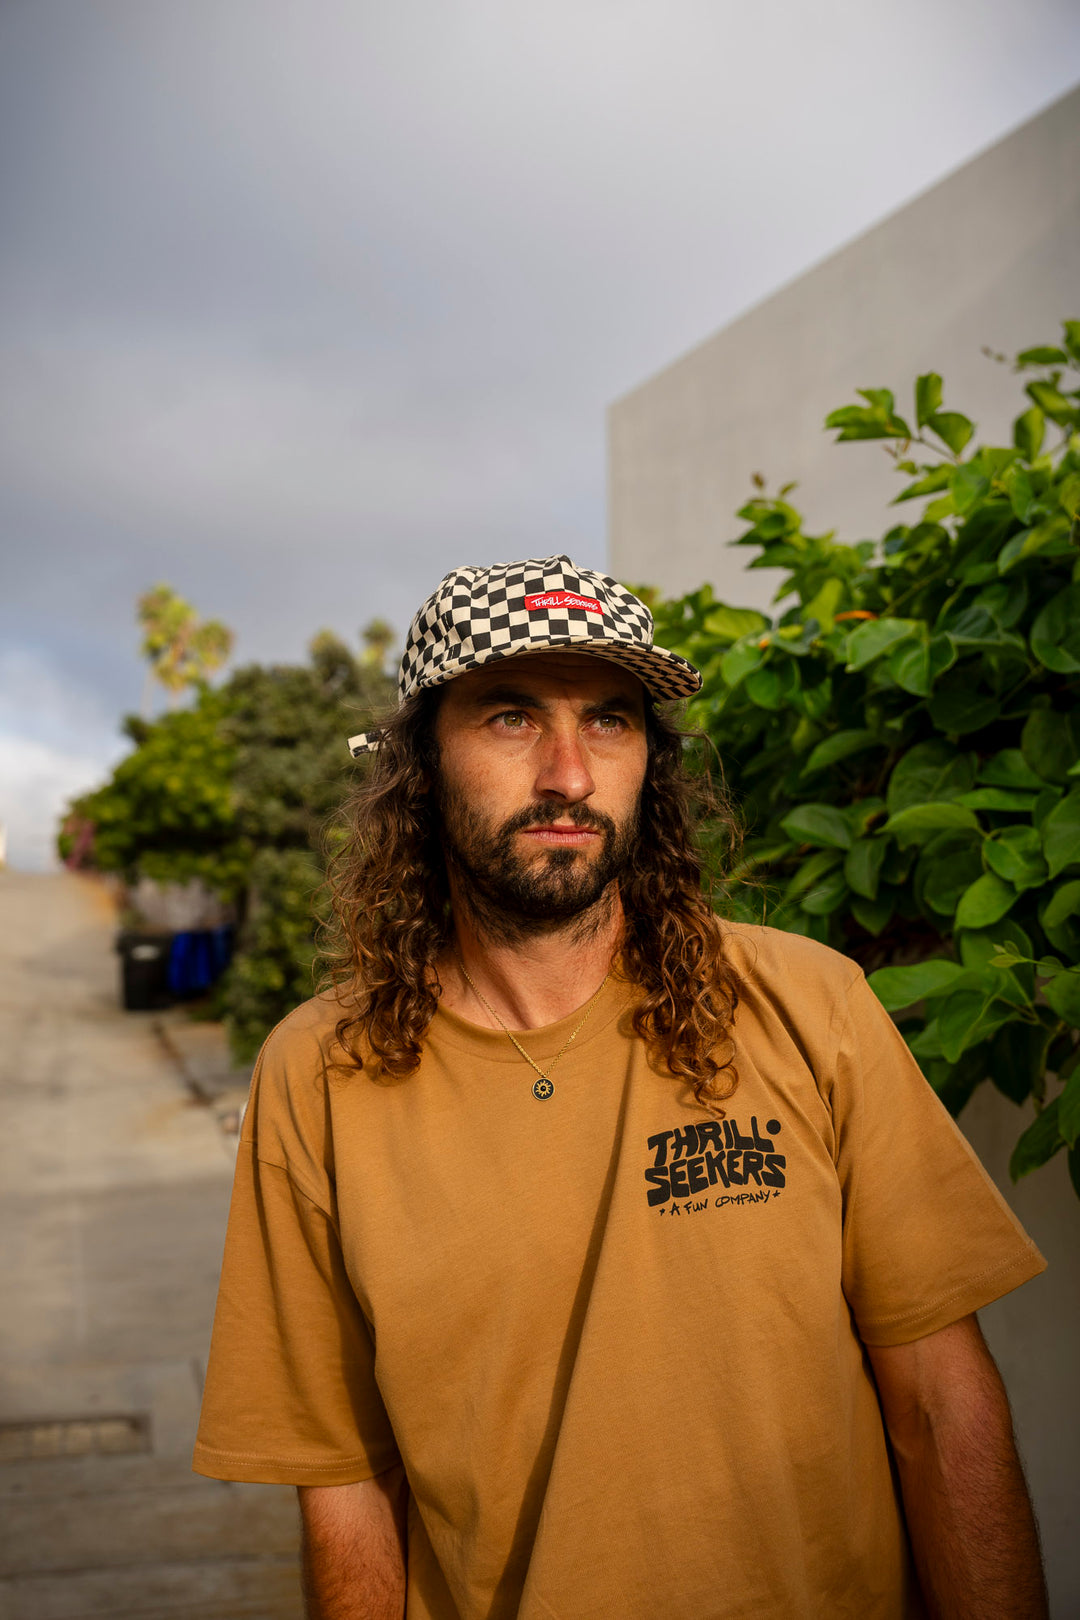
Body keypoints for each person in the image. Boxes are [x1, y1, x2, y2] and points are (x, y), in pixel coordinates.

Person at [194, 556, 1049, 1620]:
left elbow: (941, 1404)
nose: (569, 773)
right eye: (511, 718)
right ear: (420, 765)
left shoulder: (810, 1006)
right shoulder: (318, 1076)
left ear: (651, 758)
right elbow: (346, 1490)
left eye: (608, 720)